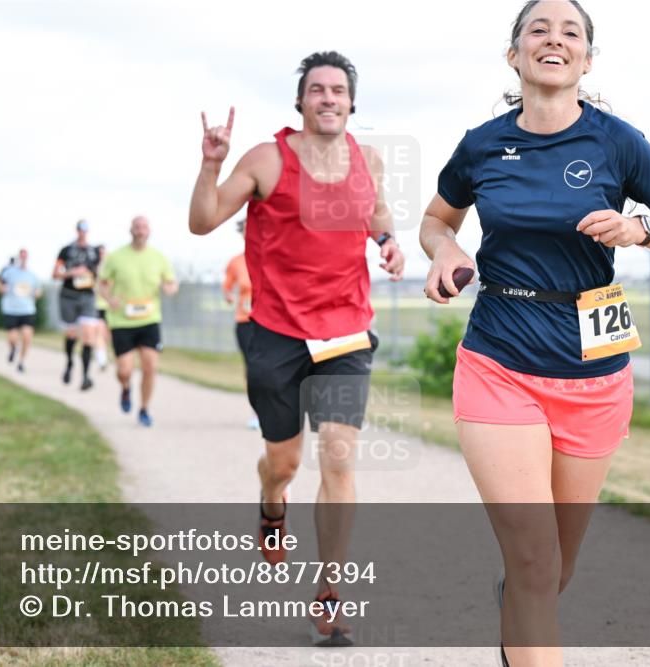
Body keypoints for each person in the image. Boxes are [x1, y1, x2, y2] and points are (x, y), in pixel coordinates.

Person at [419, 2, 650, 665]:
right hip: (499, 357)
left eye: (570, 32)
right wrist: (444, 252)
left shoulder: (617, 141)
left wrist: (641, 228)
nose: (554, 39)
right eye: (538, 31)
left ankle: (518, 624)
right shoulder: (482, 144)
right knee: (532, 555)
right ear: (515, 54)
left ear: (586, 58)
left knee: (554, 569)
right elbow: (437, 220)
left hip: (594, 369)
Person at [188, 51, 405, 646]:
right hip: (277, 333)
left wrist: (387, 240)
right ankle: (271, 500)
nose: (328, 98)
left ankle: (330, 592)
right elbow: (203, 222)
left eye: (338, 90)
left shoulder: (370, 159)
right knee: (283, 462)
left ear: (352, 101)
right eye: (317, 90)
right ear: (301, 101)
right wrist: (211, 165)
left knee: (337, 455)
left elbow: (376, 211)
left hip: (345, 332)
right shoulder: (265, 158)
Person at [98, 216, 178, 427]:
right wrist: (109, 299)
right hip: (122, 321)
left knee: (150, 366)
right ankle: (126, 388)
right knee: (124, 370)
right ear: (131, 230)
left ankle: (144, 409)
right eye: (137, 227)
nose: (141, 231)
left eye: (144, 227)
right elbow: (103, 283)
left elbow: (171, 282)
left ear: (149, 231)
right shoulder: (116, 257)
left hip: (150, 320)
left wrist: (169, 288)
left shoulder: (159, 257)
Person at [53, 219, 101, 390]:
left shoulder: (94, 251)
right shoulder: (66, 251)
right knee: (72, 334)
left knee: (88, 336)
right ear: (77, 230)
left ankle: (86, 376)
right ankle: (69, 363)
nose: (83, 232)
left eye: (85, 230)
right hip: (68, 296)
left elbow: (101, 273)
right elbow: (56, 274)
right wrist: (72, 272)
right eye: (80, 229)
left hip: (87, 296)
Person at [222, 218, 260, 430]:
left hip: (271, 321)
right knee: (253, 368)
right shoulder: (236, 262)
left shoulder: (273, 255)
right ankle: (257, 412)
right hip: (246, 322)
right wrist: (228, 296)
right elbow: (227, 287)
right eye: (247, 229)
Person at [0, 248, 42, 373]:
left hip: (27, 309)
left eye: (25, 256)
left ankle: (21, 362)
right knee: (12, 337)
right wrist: (2, 289)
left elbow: (38, 291)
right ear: (18, 257)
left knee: (27, 336)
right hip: (11, 308)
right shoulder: (9, 272)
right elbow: (0, 283)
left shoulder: (32, 275)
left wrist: (36, 293)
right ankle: (13, 348)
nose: (23, 258)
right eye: (21, 256)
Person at [93, 244, 111, 371]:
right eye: (99, 253)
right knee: (99, 332)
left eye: (103, 253)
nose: (102, 255)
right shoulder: (92, 269)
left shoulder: (112, 269)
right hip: (96, 305)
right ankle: (102, 359)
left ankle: (102, 354)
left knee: (107, 335)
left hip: (110, 306)